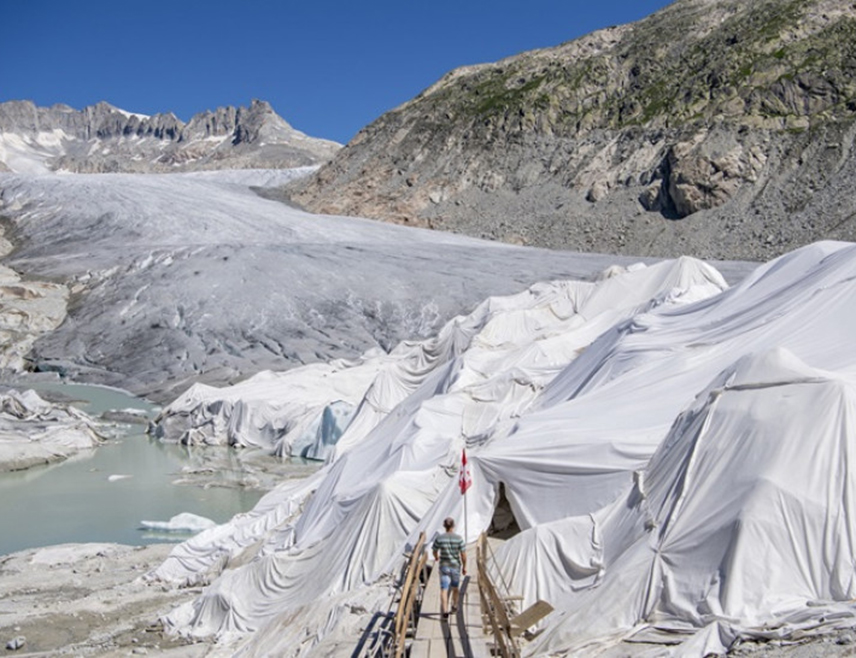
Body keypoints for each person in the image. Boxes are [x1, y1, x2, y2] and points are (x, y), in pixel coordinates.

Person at [432, 517, 467, 619]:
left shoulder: (440, 538)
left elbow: (434, 550)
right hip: (455, 566)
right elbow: (463, 555)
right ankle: (455, 606)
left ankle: (445, 611)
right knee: (455, 588)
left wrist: (436, 557)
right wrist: (464, 567)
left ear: (444, 526)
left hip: (444, 566)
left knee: (444, 589)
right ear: (453, 526)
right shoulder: (459, 538)